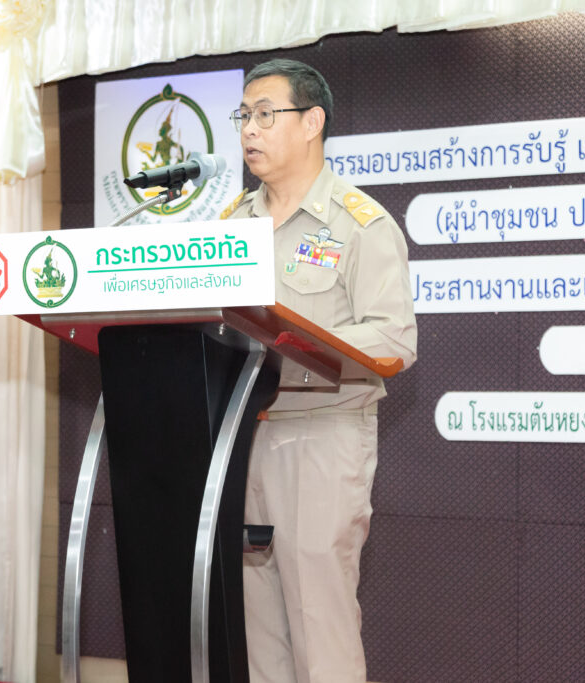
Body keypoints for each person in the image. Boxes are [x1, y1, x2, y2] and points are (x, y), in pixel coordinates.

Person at [222, 58, 418, 683]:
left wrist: (295, 343)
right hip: (240, 436)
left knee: (318, 621)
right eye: (243, 116)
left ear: (312, 123)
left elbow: (393, 337)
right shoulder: (228, 225)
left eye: (265, 114)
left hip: (321, 435)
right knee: (258, 628)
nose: (249, 129)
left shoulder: (359, 224)